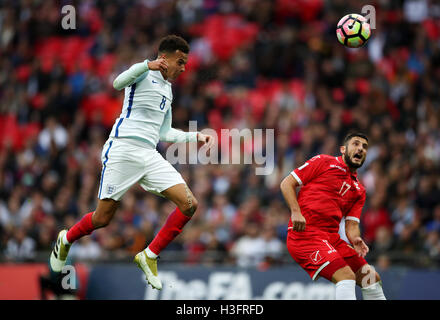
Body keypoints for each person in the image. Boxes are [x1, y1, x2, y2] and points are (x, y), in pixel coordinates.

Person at [50, 35, 214, 290]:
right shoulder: (142, 72)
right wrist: (147, 64)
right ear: (165, 57)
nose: (183, 68)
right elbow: (117, 83)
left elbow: (164, 132)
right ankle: (66, 238)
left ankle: (149, 255)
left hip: (149, 153)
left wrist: (195, 136)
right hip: (123, 148)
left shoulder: (168, 89)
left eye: (185, 63)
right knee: (102, 218)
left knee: (190, 204)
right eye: (180, 62)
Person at [280, 132, 386, 300]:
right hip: (305, 236)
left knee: (372, 280)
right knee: (346, 277)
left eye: (364, 147)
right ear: (343, 149)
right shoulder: (323, 162)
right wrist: (296, 212)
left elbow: (351, 226)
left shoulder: (359, 190)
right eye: (356, 144)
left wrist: (355, 239)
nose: (360, 149)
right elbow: (287, 183)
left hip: (331, 239)